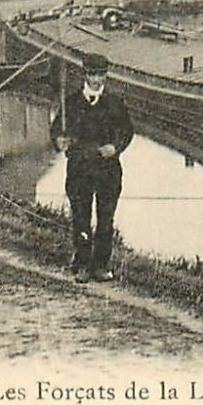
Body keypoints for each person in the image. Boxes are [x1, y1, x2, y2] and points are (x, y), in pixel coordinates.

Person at [52, 52, 134, 283]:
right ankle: (82, 264)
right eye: (92, 75)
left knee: (106, 219)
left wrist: (115, 147)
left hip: (108, 171)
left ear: (106, 76)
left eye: (100, 75)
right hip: (79, 169)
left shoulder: (115, 102)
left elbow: (127, 131)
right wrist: (59, 140)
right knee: (80, 217)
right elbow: (57, 128)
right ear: (84, 75)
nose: (96, 80)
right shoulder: (71, 102)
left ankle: (101, 265)